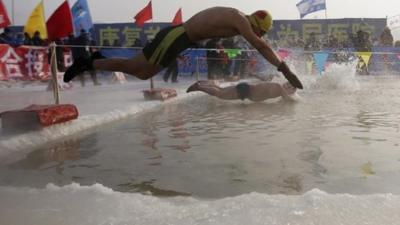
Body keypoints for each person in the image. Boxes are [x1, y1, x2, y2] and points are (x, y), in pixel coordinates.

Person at [64, 7, 303, 89]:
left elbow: (259, 42)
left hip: (180, 39)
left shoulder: (239, 19)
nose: (259, 35)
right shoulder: (240, 21)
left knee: (137, 68)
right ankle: (90, 62)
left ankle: (90, 61)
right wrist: (284, 69)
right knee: (141, 70)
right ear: (258, 25)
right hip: (177, 37)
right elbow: (260, 45)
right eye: (261, 31)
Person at [186, 80, 297, 102]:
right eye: (293, 90)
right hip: (245, 91)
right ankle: (199, 87)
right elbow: (290, 100)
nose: (292, 93)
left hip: (246, 89)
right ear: (288, 87)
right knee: (220, 94)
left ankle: (207, 83)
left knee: (221, 90)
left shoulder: (278, 87)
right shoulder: (280, 88)